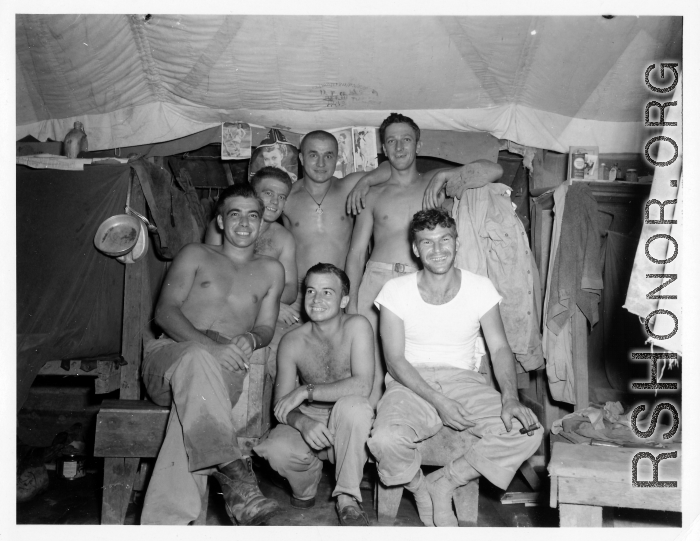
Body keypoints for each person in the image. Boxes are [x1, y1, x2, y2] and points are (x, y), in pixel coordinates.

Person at [367, 208, 543, 527]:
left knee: (527, 431)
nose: (438, 250)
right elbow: (394, 360)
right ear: (415, 249)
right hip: (410, 382)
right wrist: (439, 401)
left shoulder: (480, 287)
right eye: (428, 242)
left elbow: (500, 346)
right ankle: (420, 488)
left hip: (464, 381)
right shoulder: (395, 290)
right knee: (383, 440)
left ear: (456, 243)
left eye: (445, 239)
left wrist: (509, 397)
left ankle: (444, 482)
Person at [140, 183, 285, 525]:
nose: (244, 223)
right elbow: (164, 312)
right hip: (171, 353)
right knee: (197, 359)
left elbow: (266, 326)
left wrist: (251, 338)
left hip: (226, 367)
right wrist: (209, 348)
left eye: (253, 216)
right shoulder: (195, 254)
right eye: (235, 214)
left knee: (190, 416)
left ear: (262, 223)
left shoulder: (272, 271)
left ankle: (166, 525)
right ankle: (234, 472)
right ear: (220, 221)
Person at [344, 112, 504, 375]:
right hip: (377, 280)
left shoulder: (435, 184)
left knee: (417, 362)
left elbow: (494, 170)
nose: (399, 147)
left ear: (418, 145)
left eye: (406, 140)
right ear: (384, 148)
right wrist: (351, 303)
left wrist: (447, 175)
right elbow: (357, 252)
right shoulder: (372, 193)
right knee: (369, 366)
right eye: (391, 141)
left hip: (421, 281)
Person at [254, 264, 375, 525]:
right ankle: (306, 484)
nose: (316, 300)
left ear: (344, 299)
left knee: (355, 408)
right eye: (310, 291)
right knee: (275, 447)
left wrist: (306, 390)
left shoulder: (357, 326)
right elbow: (282, 404)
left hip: (347, 420)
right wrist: (303, 422)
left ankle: (347, 499)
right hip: (311, 417)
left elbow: (362, 386)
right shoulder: (293, 340)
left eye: (327, 292)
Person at [282, 130, 392, 406]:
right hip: (299, 297)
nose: (321, 163)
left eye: (328, 155)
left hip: (343, 294)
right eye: (313, 155)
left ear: (338, 158)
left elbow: (392, 166)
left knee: (365, 359)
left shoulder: (348, 187)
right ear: (300, 157)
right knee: (292, 358)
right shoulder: (286, 196)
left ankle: (365, 422)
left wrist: (365, 181)